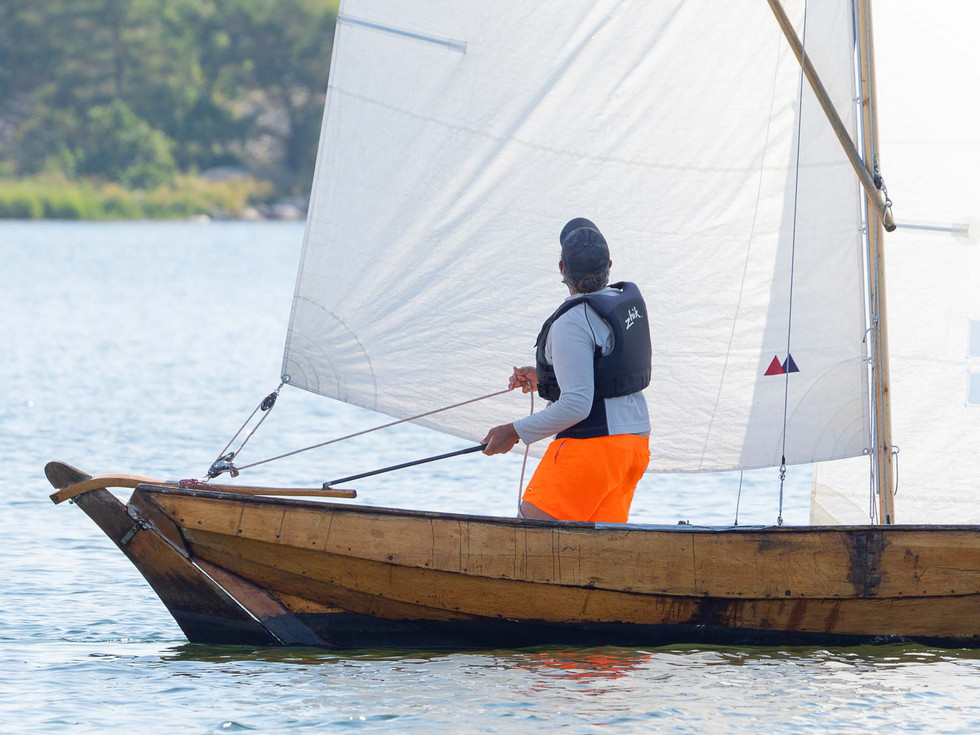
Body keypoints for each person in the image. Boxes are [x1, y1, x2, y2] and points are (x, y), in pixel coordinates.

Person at [482, 217, 652, 522]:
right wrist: (545, 380)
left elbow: (577, 405)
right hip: (634, 447)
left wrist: (513, 432)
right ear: (609, 265)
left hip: (593, 449)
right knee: (590, 548)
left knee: (527, 539)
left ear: (562, 268)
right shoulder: (618, 305)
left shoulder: (572, 323)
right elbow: (608, 375)